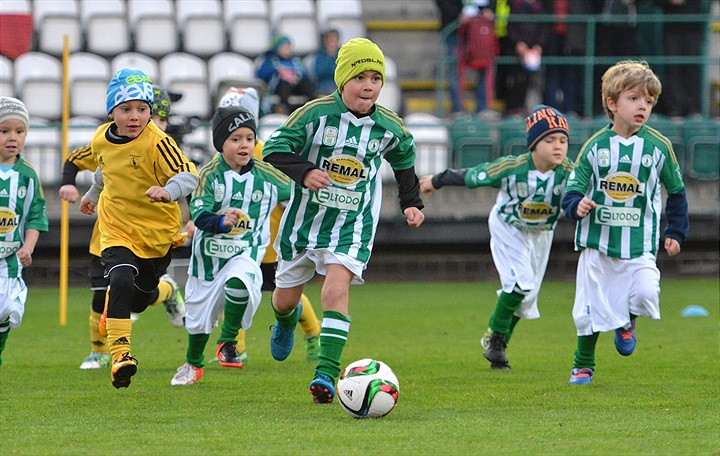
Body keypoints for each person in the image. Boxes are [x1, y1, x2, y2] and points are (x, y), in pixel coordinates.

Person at [262, 38, 425, 404]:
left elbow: (404, 162)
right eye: (360, 77)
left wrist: (411, 203)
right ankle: (286, 323)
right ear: (341, 81)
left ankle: (326, 373)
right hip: (304, 223)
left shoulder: (389, 127)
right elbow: (274, 148)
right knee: (285, 300)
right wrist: (305, 172)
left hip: (352, 225)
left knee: (334, 291)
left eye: (376, 78)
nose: (368, 86)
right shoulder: (315, 114)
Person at [562, 60, 689, 385]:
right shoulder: (595, 146)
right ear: (612, 103)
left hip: (640, 242)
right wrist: (576, 205)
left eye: (648, 101)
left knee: (646, 294)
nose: (642, 107)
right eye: (634, 98)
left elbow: (676, 191)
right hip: (598, 243)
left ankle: (626, 321)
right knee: (589, 308)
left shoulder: (659, 147)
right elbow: (573, 186)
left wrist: (675, 230)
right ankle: (583, 365)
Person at [420, 104, 572, 369]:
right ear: (533, 144)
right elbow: (473, 175)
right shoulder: (511, 168)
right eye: (549, 140)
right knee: (520, 283)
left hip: (541, 234)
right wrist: (437, 180)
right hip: (509, 228)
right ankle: (495, 337)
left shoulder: (570, 173)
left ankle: (498, 347)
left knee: (526, 297)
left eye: (562, 140)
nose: (558, 146)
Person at [79, 68, 199, 388]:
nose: (135, 116)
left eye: (143, 109)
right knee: (118, 277)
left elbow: (189, 176)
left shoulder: (158, 143)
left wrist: (168, 191)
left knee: (139, 300)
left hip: (157, 235)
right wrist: (92, 196)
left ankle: (167, 291)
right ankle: (120, 356)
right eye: (126, 109)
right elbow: (105, 171)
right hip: (117, 228)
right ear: (111, 111)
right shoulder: (100, 139)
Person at [170, 106, 294, 385]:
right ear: (221, 143)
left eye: (249, 138)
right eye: (236, 139)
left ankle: (227, 341)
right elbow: (200, 216)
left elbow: (297, 194)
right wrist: (222, 222)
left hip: (246, 253)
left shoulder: (268, 175)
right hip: (208, 260)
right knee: (198, 321)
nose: (244, 145)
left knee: (240, 282)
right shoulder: (210, 174)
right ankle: (194, 363)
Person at [202, 87, 322, 365]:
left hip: (268, 243)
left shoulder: (269, 153)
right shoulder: (221, 157)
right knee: (235, 292)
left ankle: (313, 334)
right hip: (235, 243)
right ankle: (234, 347)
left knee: (285, 296)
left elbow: (289, 190)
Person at [0, 97, 49, 367]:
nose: (12, 138)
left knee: (6, 313)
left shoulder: (28, 175)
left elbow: (35, 215)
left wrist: (27, 247)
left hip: (9, 262)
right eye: (4, 130)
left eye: (19, 132)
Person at [434, 0, 497, 117]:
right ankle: (458, 109)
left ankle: (482, 108)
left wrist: (489, 10)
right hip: (455, 28)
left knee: (485, 64)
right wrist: (456, 15)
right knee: (455, 68)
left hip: (480, 26)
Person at [504, 0, 551, 116]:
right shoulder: (515, 7)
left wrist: (538, 45)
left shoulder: (540, 8)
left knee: (535, 81)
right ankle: (516, 108)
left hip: (535, 52)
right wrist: (518, 43)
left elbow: (545, 28)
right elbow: (510, 27)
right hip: (518, 51)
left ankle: (533, 108)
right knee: (517, 79)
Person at [256, 34, 316, 115]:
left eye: (288, 47)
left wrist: (297, 78)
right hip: (279, 86)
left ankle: (313, 109)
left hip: (295, 86)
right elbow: (261, 74)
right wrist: (277, 72)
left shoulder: (295, 61)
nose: (287, 49)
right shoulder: (270, 60)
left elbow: (304, 73)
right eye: (284, 47)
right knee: (284, 85)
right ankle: (285, 111)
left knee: (307, 84)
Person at [311, 28, 340, 97]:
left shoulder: (342, 54)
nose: (332, 41)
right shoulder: (320, 54)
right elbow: (319, 72)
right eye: (330, 39)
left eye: (334, 38)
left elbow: (343, 72)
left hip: (338, 86)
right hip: (323, 87)